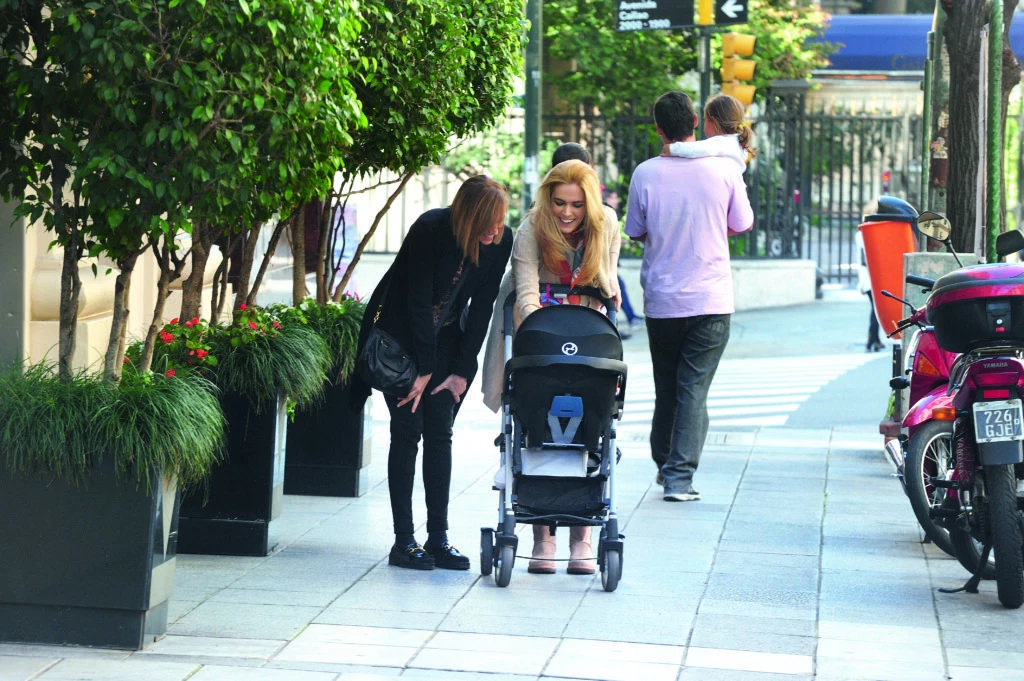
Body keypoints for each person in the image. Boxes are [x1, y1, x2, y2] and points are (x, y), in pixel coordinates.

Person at [352, 176, 513, 570]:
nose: (495, 232)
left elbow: (485, 304)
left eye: (499, 222)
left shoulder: (501, 241)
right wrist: (422, 369)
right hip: (404, 344)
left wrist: (461, 371)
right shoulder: (430, 229)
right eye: (487, 224)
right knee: (407, 433)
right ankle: (403, 541)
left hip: (449, 345)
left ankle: (438, 538)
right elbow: (416, 301)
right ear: (468, 218)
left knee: (440, 435)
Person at [481, 157, 621, 575]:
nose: (566, 213)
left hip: (590, 331)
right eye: (559, 202)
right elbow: (525, 296)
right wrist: (546, 339)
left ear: (590, 205)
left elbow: (608, 284)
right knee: (537, 430)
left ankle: (583, 540)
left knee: (592, 432)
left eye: (576, 205)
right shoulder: (530, 229)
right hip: (540, 330)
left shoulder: (607, 225)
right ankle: (543, 539)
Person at [625, 91, 754, 503]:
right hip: (711, 300)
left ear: (659, 129)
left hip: (662, 300)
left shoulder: (645, 173)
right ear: (696, 123)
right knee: (693, 390)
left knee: (668, 387)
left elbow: (636, 230)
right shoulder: (724, 171)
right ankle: (679, 478)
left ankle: (665, 464)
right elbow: (742, 223)